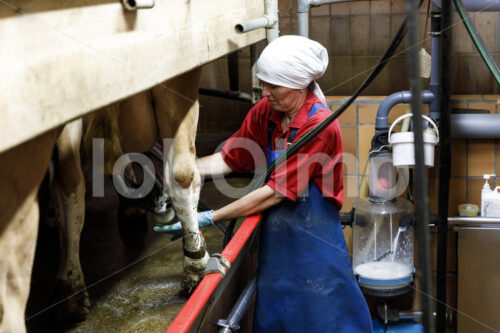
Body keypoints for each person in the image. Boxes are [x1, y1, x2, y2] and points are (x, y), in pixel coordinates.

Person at [156, 35, 372, 332]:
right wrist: (185, 170)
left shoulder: (319, 125)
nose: (264, 92)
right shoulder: (266, 113)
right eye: (263, 83)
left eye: (273, 86)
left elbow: (275, 194)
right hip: (279, 248)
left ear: (298, 84)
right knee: (278, 315)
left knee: (327, 317)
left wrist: (208, 217)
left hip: (316, 246)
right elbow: (232, 158)